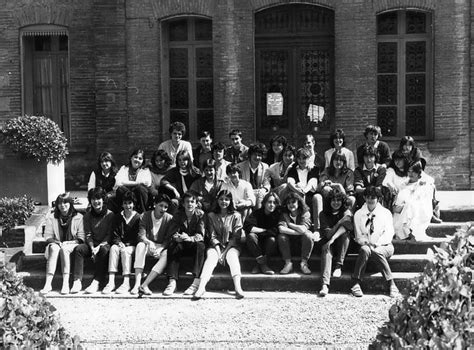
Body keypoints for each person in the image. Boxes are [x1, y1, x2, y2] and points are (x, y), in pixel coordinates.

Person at [193, 190, 245, 300]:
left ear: (230, 201)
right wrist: (218, 252)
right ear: (217, 200)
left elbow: (236, 236)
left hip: (231, 246)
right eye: (221, 199)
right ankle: (201, 287)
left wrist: (224, 252)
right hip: (215, 246)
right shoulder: (211, 216)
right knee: (211, 258)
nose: (224, 201)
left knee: (232, 257)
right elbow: (212, 236)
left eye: (226, 199)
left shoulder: (236, 216)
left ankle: (238, 287)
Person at [351, 186, 399, 298]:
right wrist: (367, 243)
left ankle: (391, 283)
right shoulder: (359, 214)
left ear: (378, 199)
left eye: (373, 197)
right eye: (368, 197)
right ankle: (356, 282)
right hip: (367, 245)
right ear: (364, 198)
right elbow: (359, 235)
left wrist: (376, 245)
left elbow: (388, 233)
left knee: (377, 252)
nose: (370, 200)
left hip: (385, 245)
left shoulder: (386, 213)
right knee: (364, 250)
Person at [71, 187, 114, 294]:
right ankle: (77, 281)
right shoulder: (87, 216)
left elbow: (109, 235)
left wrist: (99, 247)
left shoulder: (110, 215)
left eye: (99, 198)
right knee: (79, 249)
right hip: (92, 245)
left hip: (104, 244)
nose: (96, 202)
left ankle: (97, 281)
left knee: (104, 250)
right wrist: (92, 247)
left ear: (103, 200)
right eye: (93, 199)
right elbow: (88, 234)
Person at [40, 193, 85, 295]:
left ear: (70, 204)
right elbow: (47, 236)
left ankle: (65, 283)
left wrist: (68, 243)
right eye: (60, 203)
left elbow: (81, 237)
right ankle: (48, 283)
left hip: (72, 244)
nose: (63, 205)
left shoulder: (79, 217)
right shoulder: (52, 217)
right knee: (54, 248)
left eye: (65, 202)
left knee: (64, 249)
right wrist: (57, 243)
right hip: (56, 243)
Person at [163, 192, 206, 296]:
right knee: (173, 245)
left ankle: (196, 282)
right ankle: (172, 282)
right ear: (183, 204)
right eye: (187, 201)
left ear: (196, 204)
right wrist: (176, 237)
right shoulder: (178, 215)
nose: (190, 204)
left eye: (192, 201)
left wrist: (190, 238)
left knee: (200, 245)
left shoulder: (201, 215)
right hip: (182, 244)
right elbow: (172, 232)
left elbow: (201, 234)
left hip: (193, 244)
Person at [102, 191, 140, 294]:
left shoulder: (138, 218)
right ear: (122, 204)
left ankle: (126, 282)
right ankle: (111, 281)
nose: (128, 206)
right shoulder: (118, 217)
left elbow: (139, 236)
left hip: (132, 246)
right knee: (114, 248)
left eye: (130, 203)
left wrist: (127, 244)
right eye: (125, 203)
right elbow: (114, 234)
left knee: (125, 251)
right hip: (120, 244)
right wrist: (118, 242)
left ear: (134, 204)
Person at [136, 194, 174, 296]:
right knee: (140, 245)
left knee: (167, 254)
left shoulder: (169, 218)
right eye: (161, 205)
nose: (163, 209)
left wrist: (160, 248)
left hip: (160, 248)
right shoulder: (145, 216)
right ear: (154, 205)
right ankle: (137, 284)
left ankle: (144, 285)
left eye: (165, 207)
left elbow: (168, 239)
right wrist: (149, 242)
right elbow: (141, 235)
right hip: (148, 245)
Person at [318, 190, 353, 296]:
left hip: (342, 245)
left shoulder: (346, 212)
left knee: (345, 235)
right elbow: (327, 235)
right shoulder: (323, 214)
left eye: (338, 200)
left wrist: (333, 238)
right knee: (326, 250)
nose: (336, 203)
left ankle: (338, 266)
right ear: (329, 201)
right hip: (328, 242)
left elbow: (348, 227)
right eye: (333, 200)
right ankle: (325, 285)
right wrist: (340, 222)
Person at [277, 192, 319, 275]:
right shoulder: (285, 214)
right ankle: (288, 264)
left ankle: (304, 264)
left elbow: (303, 229)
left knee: (307, 235)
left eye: (293, 202)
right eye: (288, 203)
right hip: (289, 245)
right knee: (281, 236)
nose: (291, 205)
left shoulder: (305, 213)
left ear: (298, 203)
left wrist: (289, 224)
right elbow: (281, 229)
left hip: (302, 245)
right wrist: (298, 232)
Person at [392, 161, 434, 241]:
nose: (411, 174)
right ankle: (403, 232)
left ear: (419, 172)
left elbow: (420, 201)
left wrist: (406, 205)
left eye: (414, 171)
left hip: (416, 211)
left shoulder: (422, 184)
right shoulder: (403, 184)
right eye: (409, 171)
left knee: (410, 206)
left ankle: (411, 232)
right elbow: (398, 198)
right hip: (401, 211)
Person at [244, 191, 281, 275]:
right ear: (264, 203)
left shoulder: (278, 215)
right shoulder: (258, 213)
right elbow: (248, 227)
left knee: (272, 239)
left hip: (270, 245)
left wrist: (259, 231)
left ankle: (259, 264)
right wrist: (265, 231)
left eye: (274, 203)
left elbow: (275, 231)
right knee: (251, 236)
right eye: (269, 202)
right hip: (257, 244)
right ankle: (263, 265)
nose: (272, 205)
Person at [285, 147, 322, 230]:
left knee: (318, 197)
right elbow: (290, 181)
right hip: (297, 194)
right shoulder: (293, 170)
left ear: (309, 159)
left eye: (304, 158)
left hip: (310, 195)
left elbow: (312, 183)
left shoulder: (314, 169)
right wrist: (297, 190)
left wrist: (304, 191)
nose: (301, 161)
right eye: (299, 158)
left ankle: (318, 229)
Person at [114, 149, 152, 213]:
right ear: (131, 158)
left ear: (143, 161)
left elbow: (147, 183)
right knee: (120, 189)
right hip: (126, 195)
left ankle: (143, 214)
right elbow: (118, 182)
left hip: (139, 196)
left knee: (140, 189)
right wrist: (138, 183)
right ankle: (121, 214)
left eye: (140, 158)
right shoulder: (124, 168)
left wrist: (126, 183)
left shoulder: (145, 170)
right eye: (135, 157)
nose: (137, 160)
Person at [237, 143, 270, 209]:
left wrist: (263, 189)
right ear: (250, 155)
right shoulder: (240, 166)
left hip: (259, 193)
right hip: (245, 193)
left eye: (259, 155)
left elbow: (267, 183)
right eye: (255, 155)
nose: (257, 157)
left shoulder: (265, 167)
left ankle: (258, 217)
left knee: (259, 195)